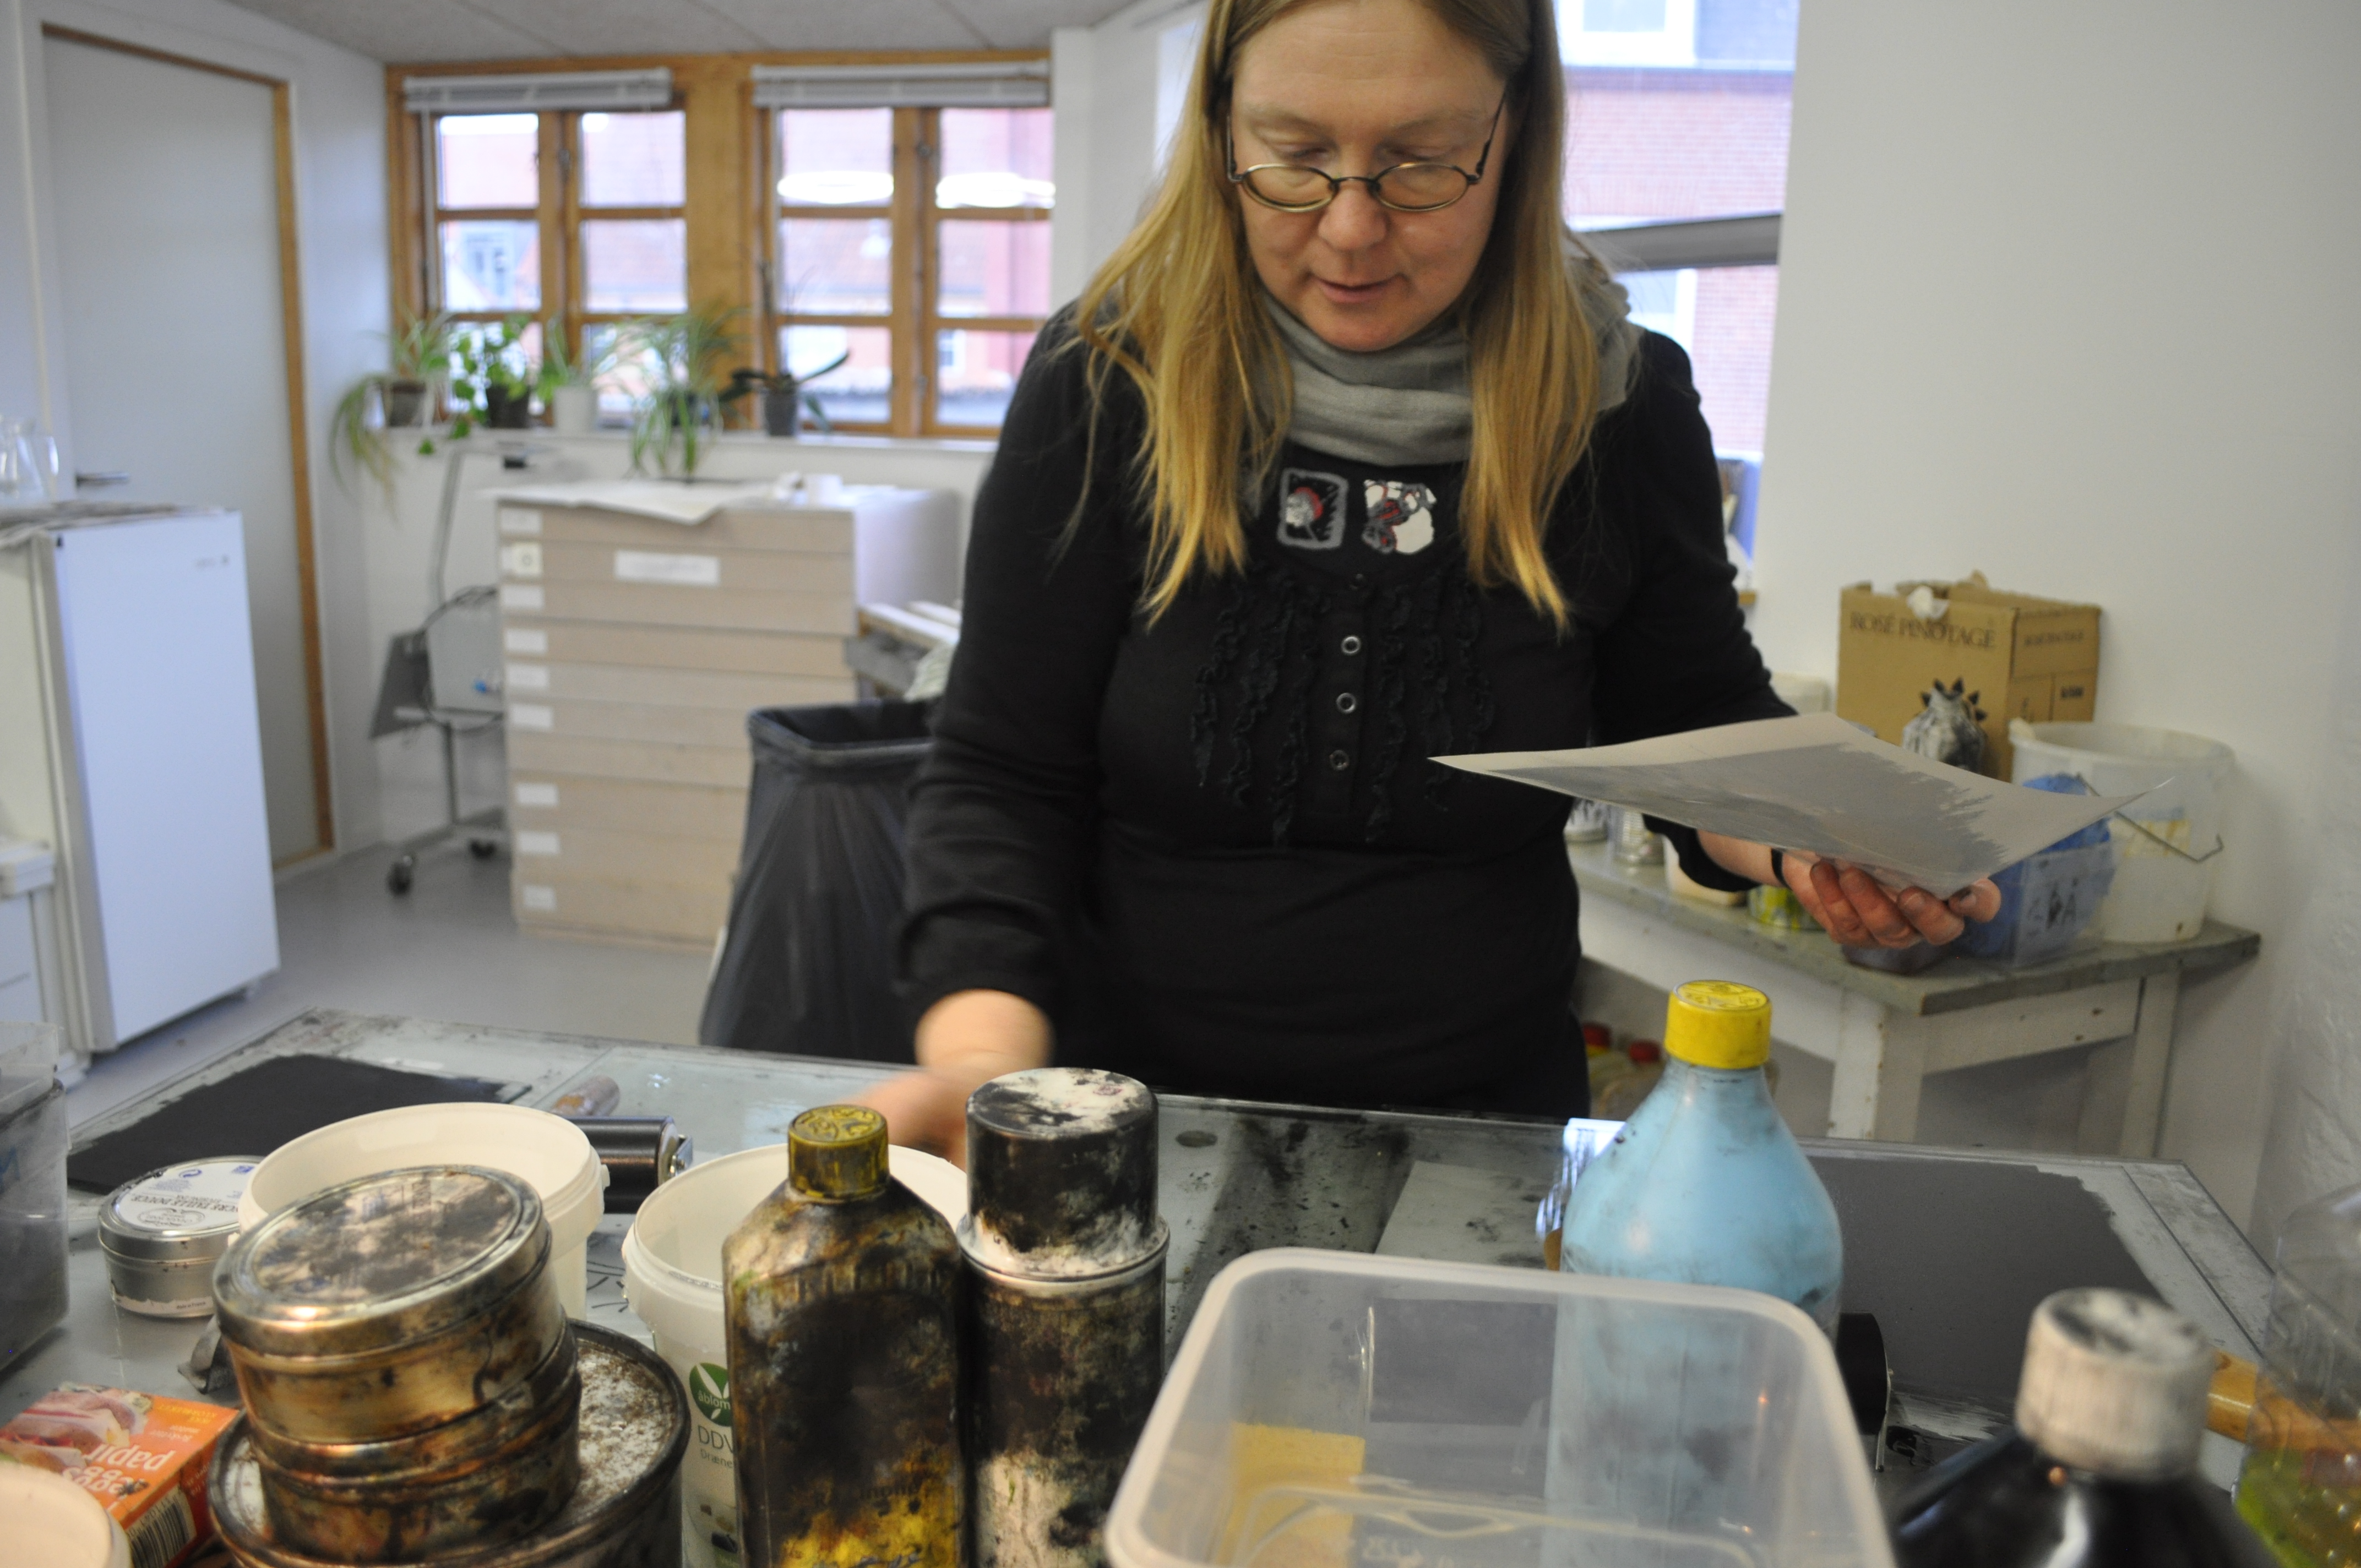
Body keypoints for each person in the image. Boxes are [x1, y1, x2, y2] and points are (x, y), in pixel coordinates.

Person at [866, 0, 1998, 1162]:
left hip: (1480, 1136)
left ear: (1518, 135)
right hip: (1124, 1126)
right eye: (1294, 157)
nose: (1351, 229)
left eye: (1421, 163)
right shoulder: (1106, 380)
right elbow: (1004, 770)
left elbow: (1691, 716)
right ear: (1219, 133)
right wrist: (977, 1061)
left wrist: (1827, 834)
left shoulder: (1618, 404)